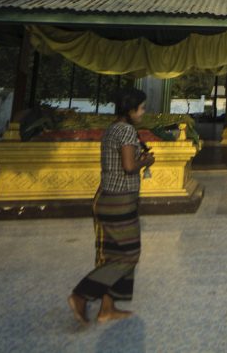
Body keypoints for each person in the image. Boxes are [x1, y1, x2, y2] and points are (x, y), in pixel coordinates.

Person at [68, 87, 155, 324]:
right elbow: (128, 166)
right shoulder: (127, 131)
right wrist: (145, 161)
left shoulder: (112, 129)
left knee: (113, 255)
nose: (143, 112)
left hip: (107, 197)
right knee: (129, 256)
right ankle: (81, 295)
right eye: (141, 108)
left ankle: (107, 307)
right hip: (119, 199)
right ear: (131, 110)